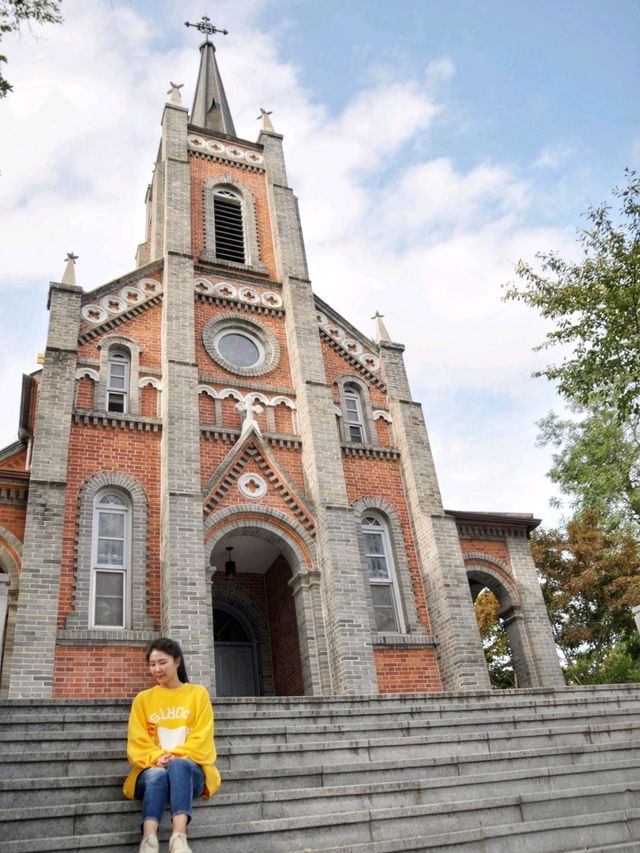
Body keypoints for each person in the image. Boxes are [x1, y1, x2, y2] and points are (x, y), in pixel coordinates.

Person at [123, 638, 221, 853]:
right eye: (152, 664)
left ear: (177, 661)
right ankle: (149, 840)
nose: (156, 669)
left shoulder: (197, 694)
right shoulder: (143, 699)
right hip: (151, 770)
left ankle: (179, 837)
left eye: (162, 662)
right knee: (157, 774)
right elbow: (137, 742)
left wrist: (174, 756)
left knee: (179, 766)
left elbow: (202, 738)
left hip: (189, 770)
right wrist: (157, 758)